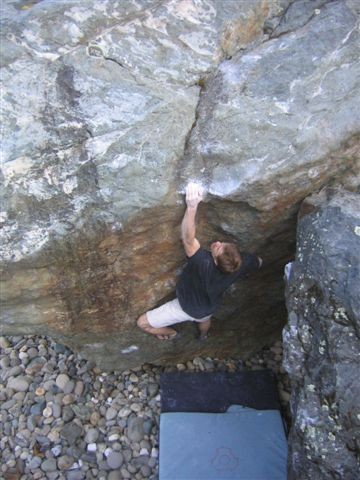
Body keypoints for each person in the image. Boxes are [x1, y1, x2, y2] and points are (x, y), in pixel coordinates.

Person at [137, 183, 262, 340]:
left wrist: (191, 207)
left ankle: (171, 333)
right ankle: (204, 334)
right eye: (222, 244)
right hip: (209, 306)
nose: (217, 243)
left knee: (142, 323)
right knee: (204, 319)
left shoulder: (203, 263)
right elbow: (259, 261)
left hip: (185, 307)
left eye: (217, 248)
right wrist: (255, 265)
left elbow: (188, 239)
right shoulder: (242, 263)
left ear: (215, 261)